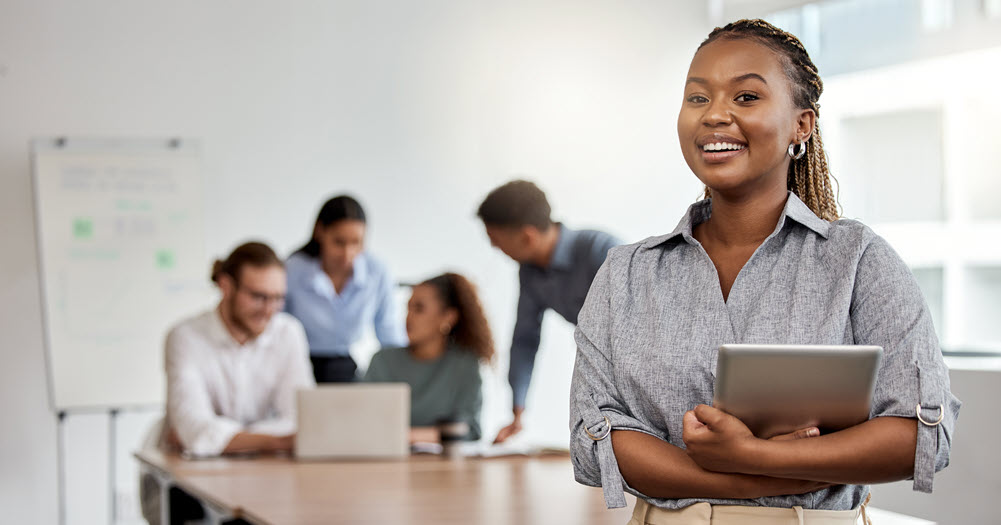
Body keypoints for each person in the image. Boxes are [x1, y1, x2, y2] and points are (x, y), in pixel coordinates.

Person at [569, 19, 961, 524]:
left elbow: (921, 433)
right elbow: (595, 435)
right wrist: (756, 474)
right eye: (697, 98)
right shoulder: (625, 273)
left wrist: (756, 455)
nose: (715, 116)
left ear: (803, 125)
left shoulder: (859, 261)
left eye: (747, 97)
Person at [142, 241, 314, 524]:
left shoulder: (289, 333)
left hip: (260, 474)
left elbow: (301, 419)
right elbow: (195, 430)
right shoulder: (185, 337)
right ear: (226, 286)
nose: (269, 310)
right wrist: (278, 440)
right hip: (187, 480)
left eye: (277, 298)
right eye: (258, 297)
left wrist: (226, 437)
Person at [477, 180, 622, 443]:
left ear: (527, 237)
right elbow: (524, 339)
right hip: (598, 372)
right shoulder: (530, 272)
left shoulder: (601, 250)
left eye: (496, 240)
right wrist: (518, 407)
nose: (494, 248)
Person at [285, 195, 408, 383]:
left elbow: (389, 332)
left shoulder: (376, 271)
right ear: (320, 232)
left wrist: (406, 375)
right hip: (298, 366)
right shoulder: (292, 269)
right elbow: (276, 329)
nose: (347, 254)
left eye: (356, 242)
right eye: (339, 242)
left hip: (346, 369)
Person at [365, 272, 493, 443]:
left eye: (419, 309)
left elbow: (470, 429)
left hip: (444, 467)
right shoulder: (382, 361)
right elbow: (362, 421)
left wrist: (407, 437)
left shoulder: (465, 365)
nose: (408, 318)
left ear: (448, 317)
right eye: (407, 308)